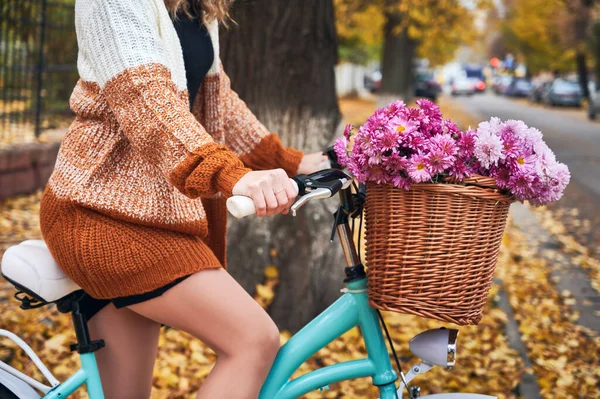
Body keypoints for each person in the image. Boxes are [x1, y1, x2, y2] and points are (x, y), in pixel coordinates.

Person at [38, 0, 327, 397]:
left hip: (156, 216)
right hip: (97, 211)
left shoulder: (197, 8)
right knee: (253, 339)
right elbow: (146, 99)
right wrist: (231, 176)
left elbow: (218, 102)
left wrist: (294, 162)